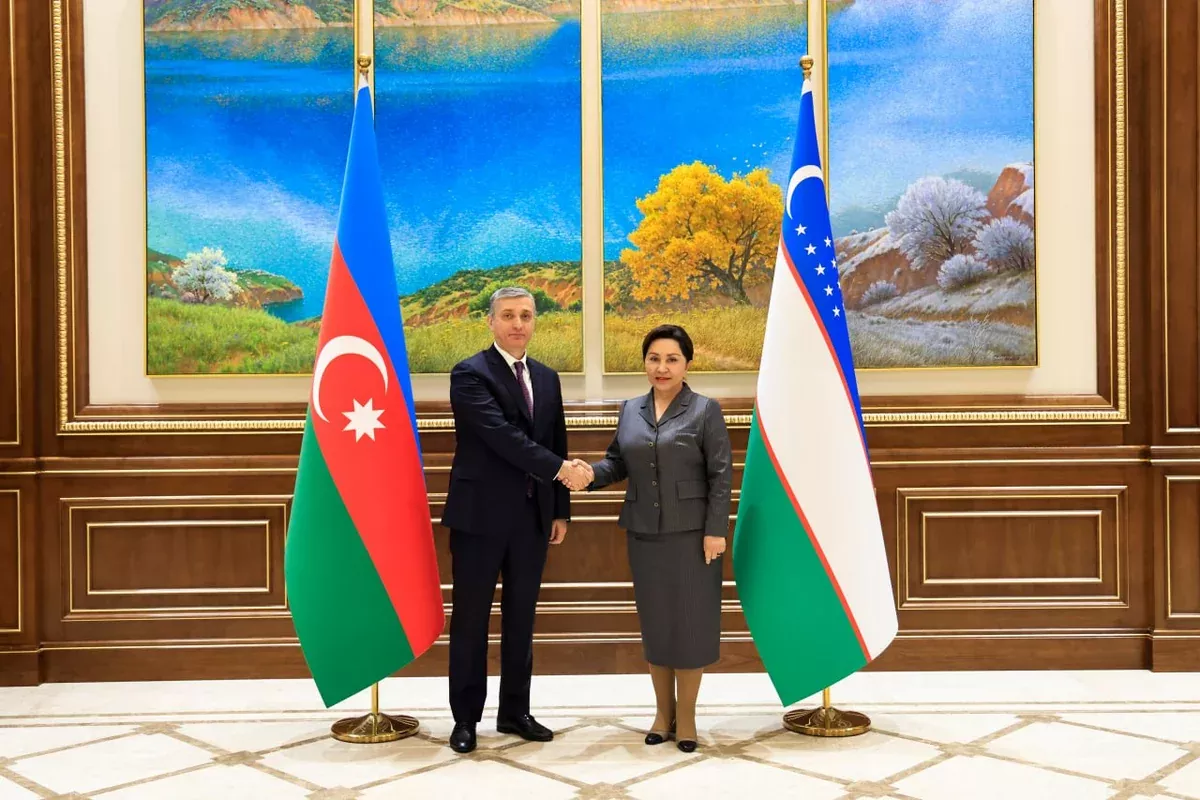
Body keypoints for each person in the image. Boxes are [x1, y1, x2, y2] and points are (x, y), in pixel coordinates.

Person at [441, 287, 592, 754]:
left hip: (532, 519)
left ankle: (515, 712)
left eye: (526, 315)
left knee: (521, 618)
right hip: (479, 518)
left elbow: (557, 438)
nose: (518, 324)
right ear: (490, 322)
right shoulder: (469, 373)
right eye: (507, 315)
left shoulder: (546, 377)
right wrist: (561, 470)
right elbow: (502, 436)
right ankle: (466, 719)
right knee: (471, 620)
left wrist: (560, 509)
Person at [573, 324, 732, 753]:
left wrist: (716, 531)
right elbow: (616, 462)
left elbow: (721, 475)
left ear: (687, 364)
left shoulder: (705, 410)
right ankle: (663, 715)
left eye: (672, 359)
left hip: (694, 536)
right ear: (645, 362)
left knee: (691, 626)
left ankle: (688, 719)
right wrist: (588, 474)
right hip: (644, 534)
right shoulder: (630, 409)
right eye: (654, 358)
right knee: (658, 626)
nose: (662, 367)